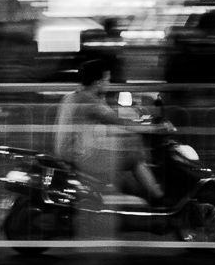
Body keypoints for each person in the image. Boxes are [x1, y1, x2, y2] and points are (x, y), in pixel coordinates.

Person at [54, 55, 161, 206]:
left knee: (128, 145)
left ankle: (136, 197)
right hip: (79, 155)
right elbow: (117, 120)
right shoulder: (89, 101)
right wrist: (152, 127)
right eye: (107, 80)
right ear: (98, 82)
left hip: (70, 152)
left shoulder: (73, 96)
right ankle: (158, 199)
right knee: (134, 156)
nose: (109, 84)